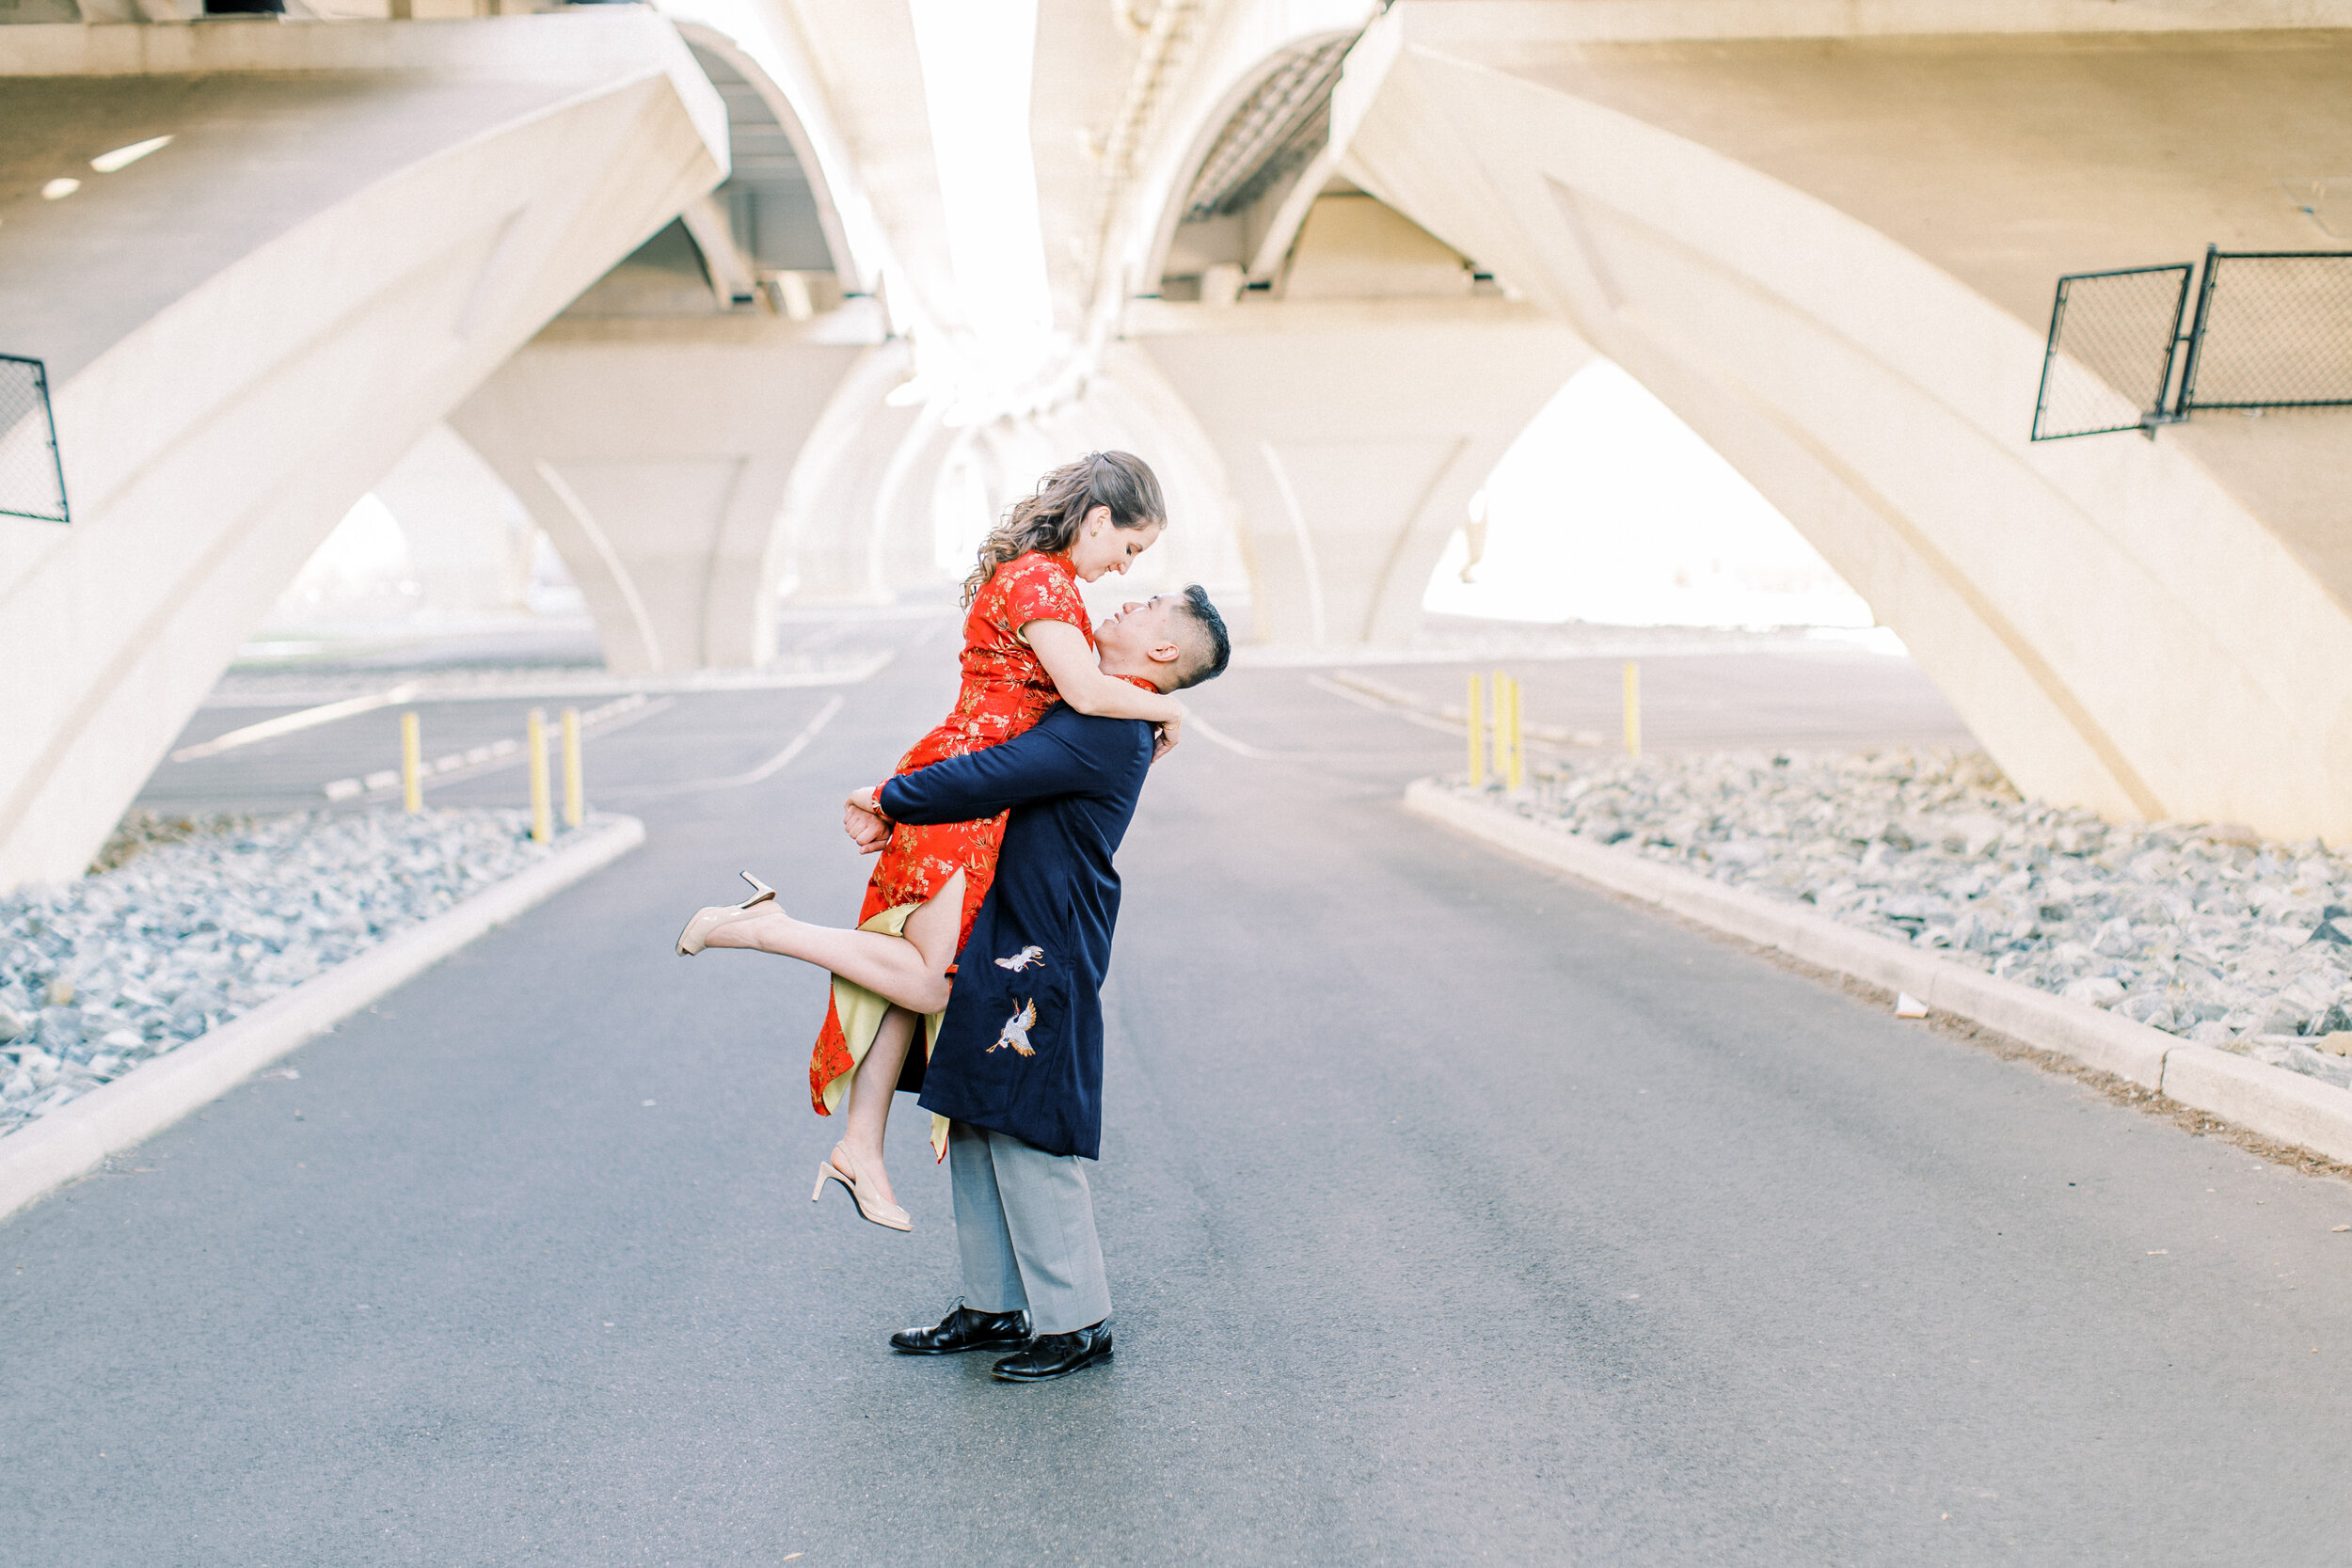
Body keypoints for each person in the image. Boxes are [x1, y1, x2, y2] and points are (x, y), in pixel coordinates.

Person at [673, 453, 1185, 1231]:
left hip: (976, 786)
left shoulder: (1042, 578)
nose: (1123, 567)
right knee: (932, 980)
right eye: (1129, 548)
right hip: (966, 788)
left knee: (913, 977)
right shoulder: (1042, 582)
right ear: (1098, 519)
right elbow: (1080, 692)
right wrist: (1166, 712)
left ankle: (860, 1147)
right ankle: (763, 926)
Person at [855, 587, 1231, 1380]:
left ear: (1161, 653)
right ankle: (994, 1307)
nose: (1128, 598)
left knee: (1028, 1123)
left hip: (1045, 940)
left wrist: (889, 798)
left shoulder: (1109, 725)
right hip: (1010, 926)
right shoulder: (1104, 704)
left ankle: (1076, 1321)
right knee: (975, 1106)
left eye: (1148, 604)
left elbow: (994, 773)